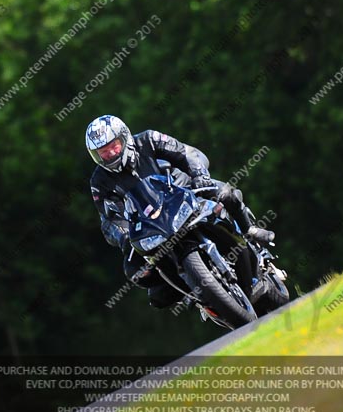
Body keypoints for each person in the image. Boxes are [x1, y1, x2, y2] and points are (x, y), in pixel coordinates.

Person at [87, 115, 275, 308]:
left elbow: (184, 153)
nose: (111, 153)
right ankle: (190, 291)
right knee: (135, 270)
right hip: (153, 226)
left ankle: (250, 230)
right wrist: (124, 236)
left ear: (124, 137)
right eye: (104, 151)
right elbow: (109, 219)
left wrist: (200, 175)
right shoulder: (99, 182)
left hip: (185, 192)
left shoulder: (148, 139)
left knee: (227, 195)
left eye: (114, 145)